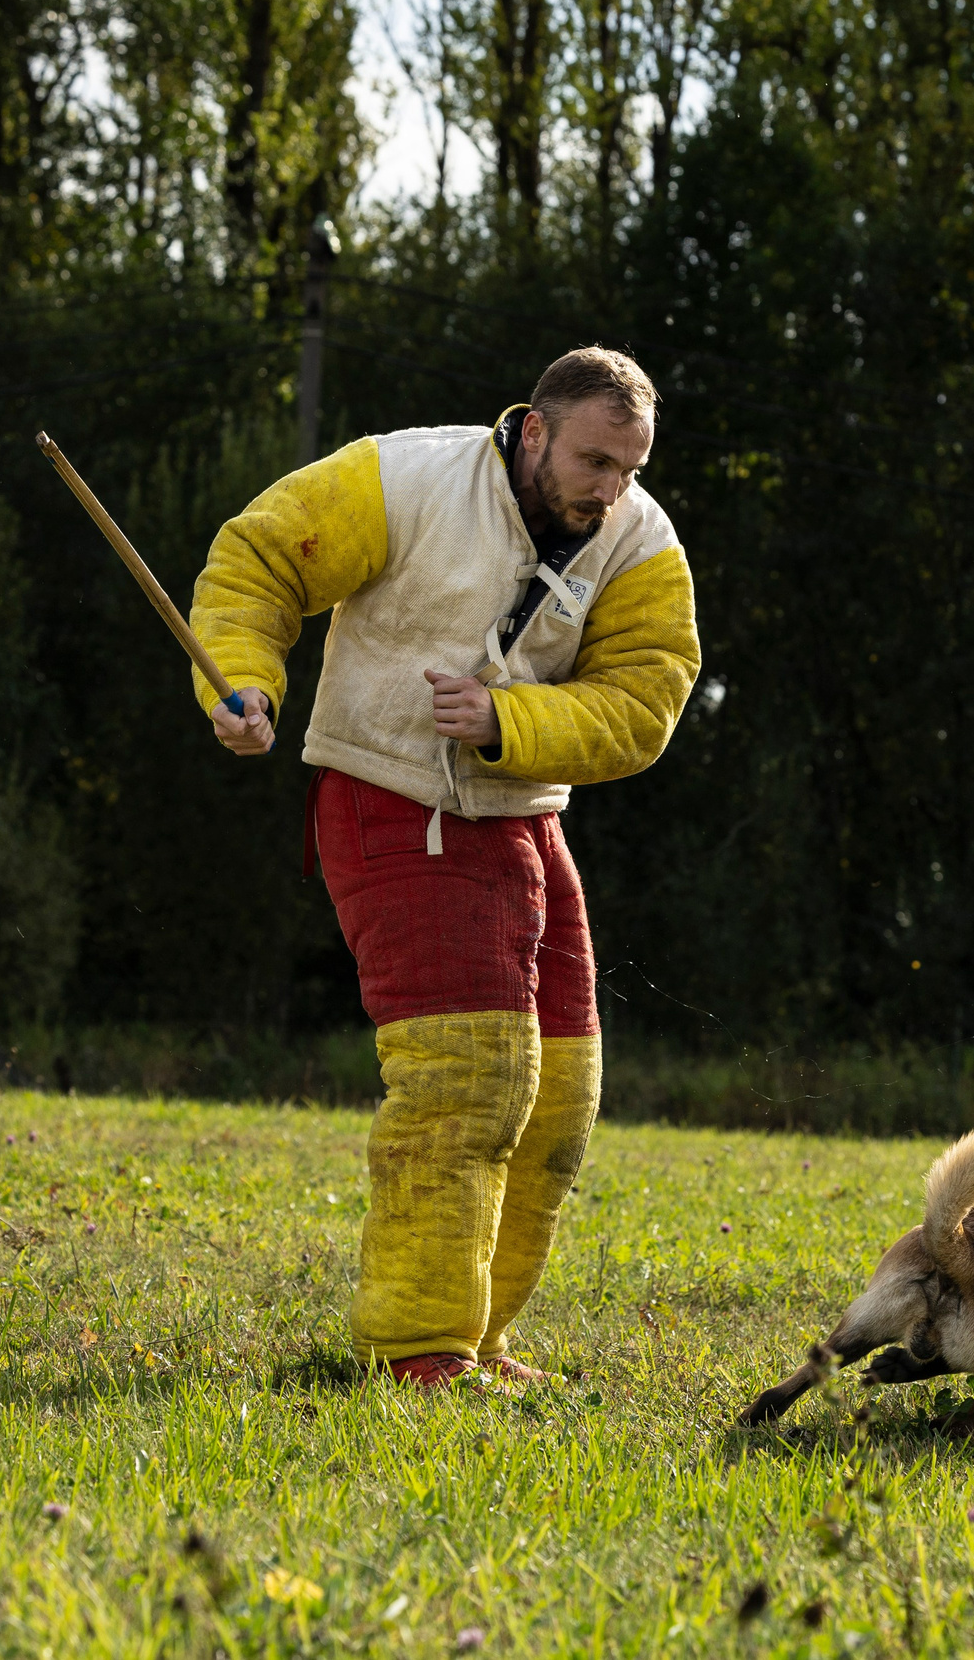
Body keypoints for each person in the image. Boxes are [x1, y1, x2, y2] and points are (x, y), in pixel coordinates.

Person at [188, 347, 699, 1387]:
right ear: (539, 429)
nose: (611, 490)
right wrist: (241, 684)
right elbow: (258, 562)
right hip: (391, 793)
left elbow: (646, 701)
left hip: (524, 812)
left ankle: (478, 1337)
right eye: (596, 461)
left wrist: (510, 717)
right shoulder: (403, 477)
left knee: (557, 1093)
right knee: (468, 1081)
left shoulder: (640, 540)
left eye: (630, 468)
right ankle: (416, 1349)